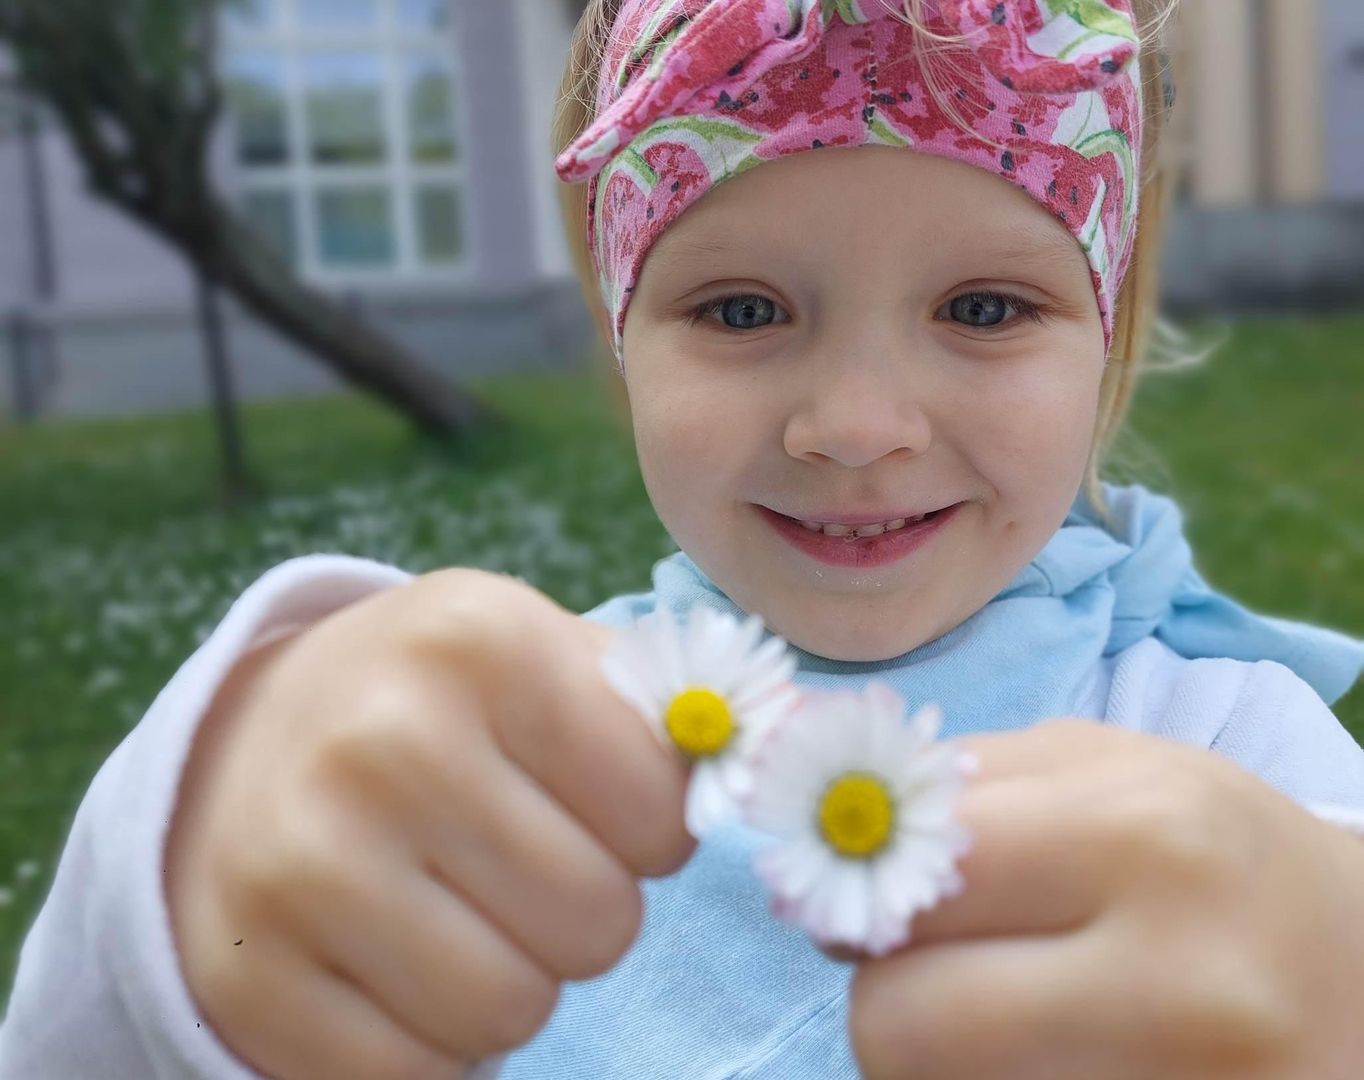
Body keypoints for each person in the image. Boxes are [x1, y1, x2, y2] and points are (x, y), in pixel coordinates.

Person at [3, 0, 1363, 1077]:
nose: (856, 426)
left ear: (1107, 348)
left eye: (988, 310)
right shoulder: (517, 750)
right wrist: (180, 880)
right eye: (743, 313)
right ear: (620, 345)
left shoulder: (1235, 756)